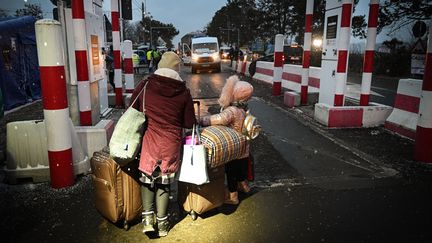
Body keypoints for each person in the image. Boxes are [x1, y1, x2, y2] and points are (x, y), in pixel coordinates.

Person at [129, 51, 196, 237]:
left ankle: (147, 220)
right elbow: (189, 123)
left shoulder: (146, 85)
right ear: (177, 69)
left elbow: (132, 107)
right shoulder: (183, 91)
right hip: (170, 143)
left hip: (150, 140)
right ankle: (163, 224)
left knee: (147, 180)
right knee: (164, 183)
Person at [199, 75, 253, 205]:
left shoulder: (232, 110)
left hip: (232, 148)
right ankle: (245, 187)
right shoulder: (244, 109)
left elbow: (218, 119)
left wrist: (201, 120)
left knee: (231, 172)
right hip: (244, 147)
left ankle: (233, 196)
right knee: (240, 170)